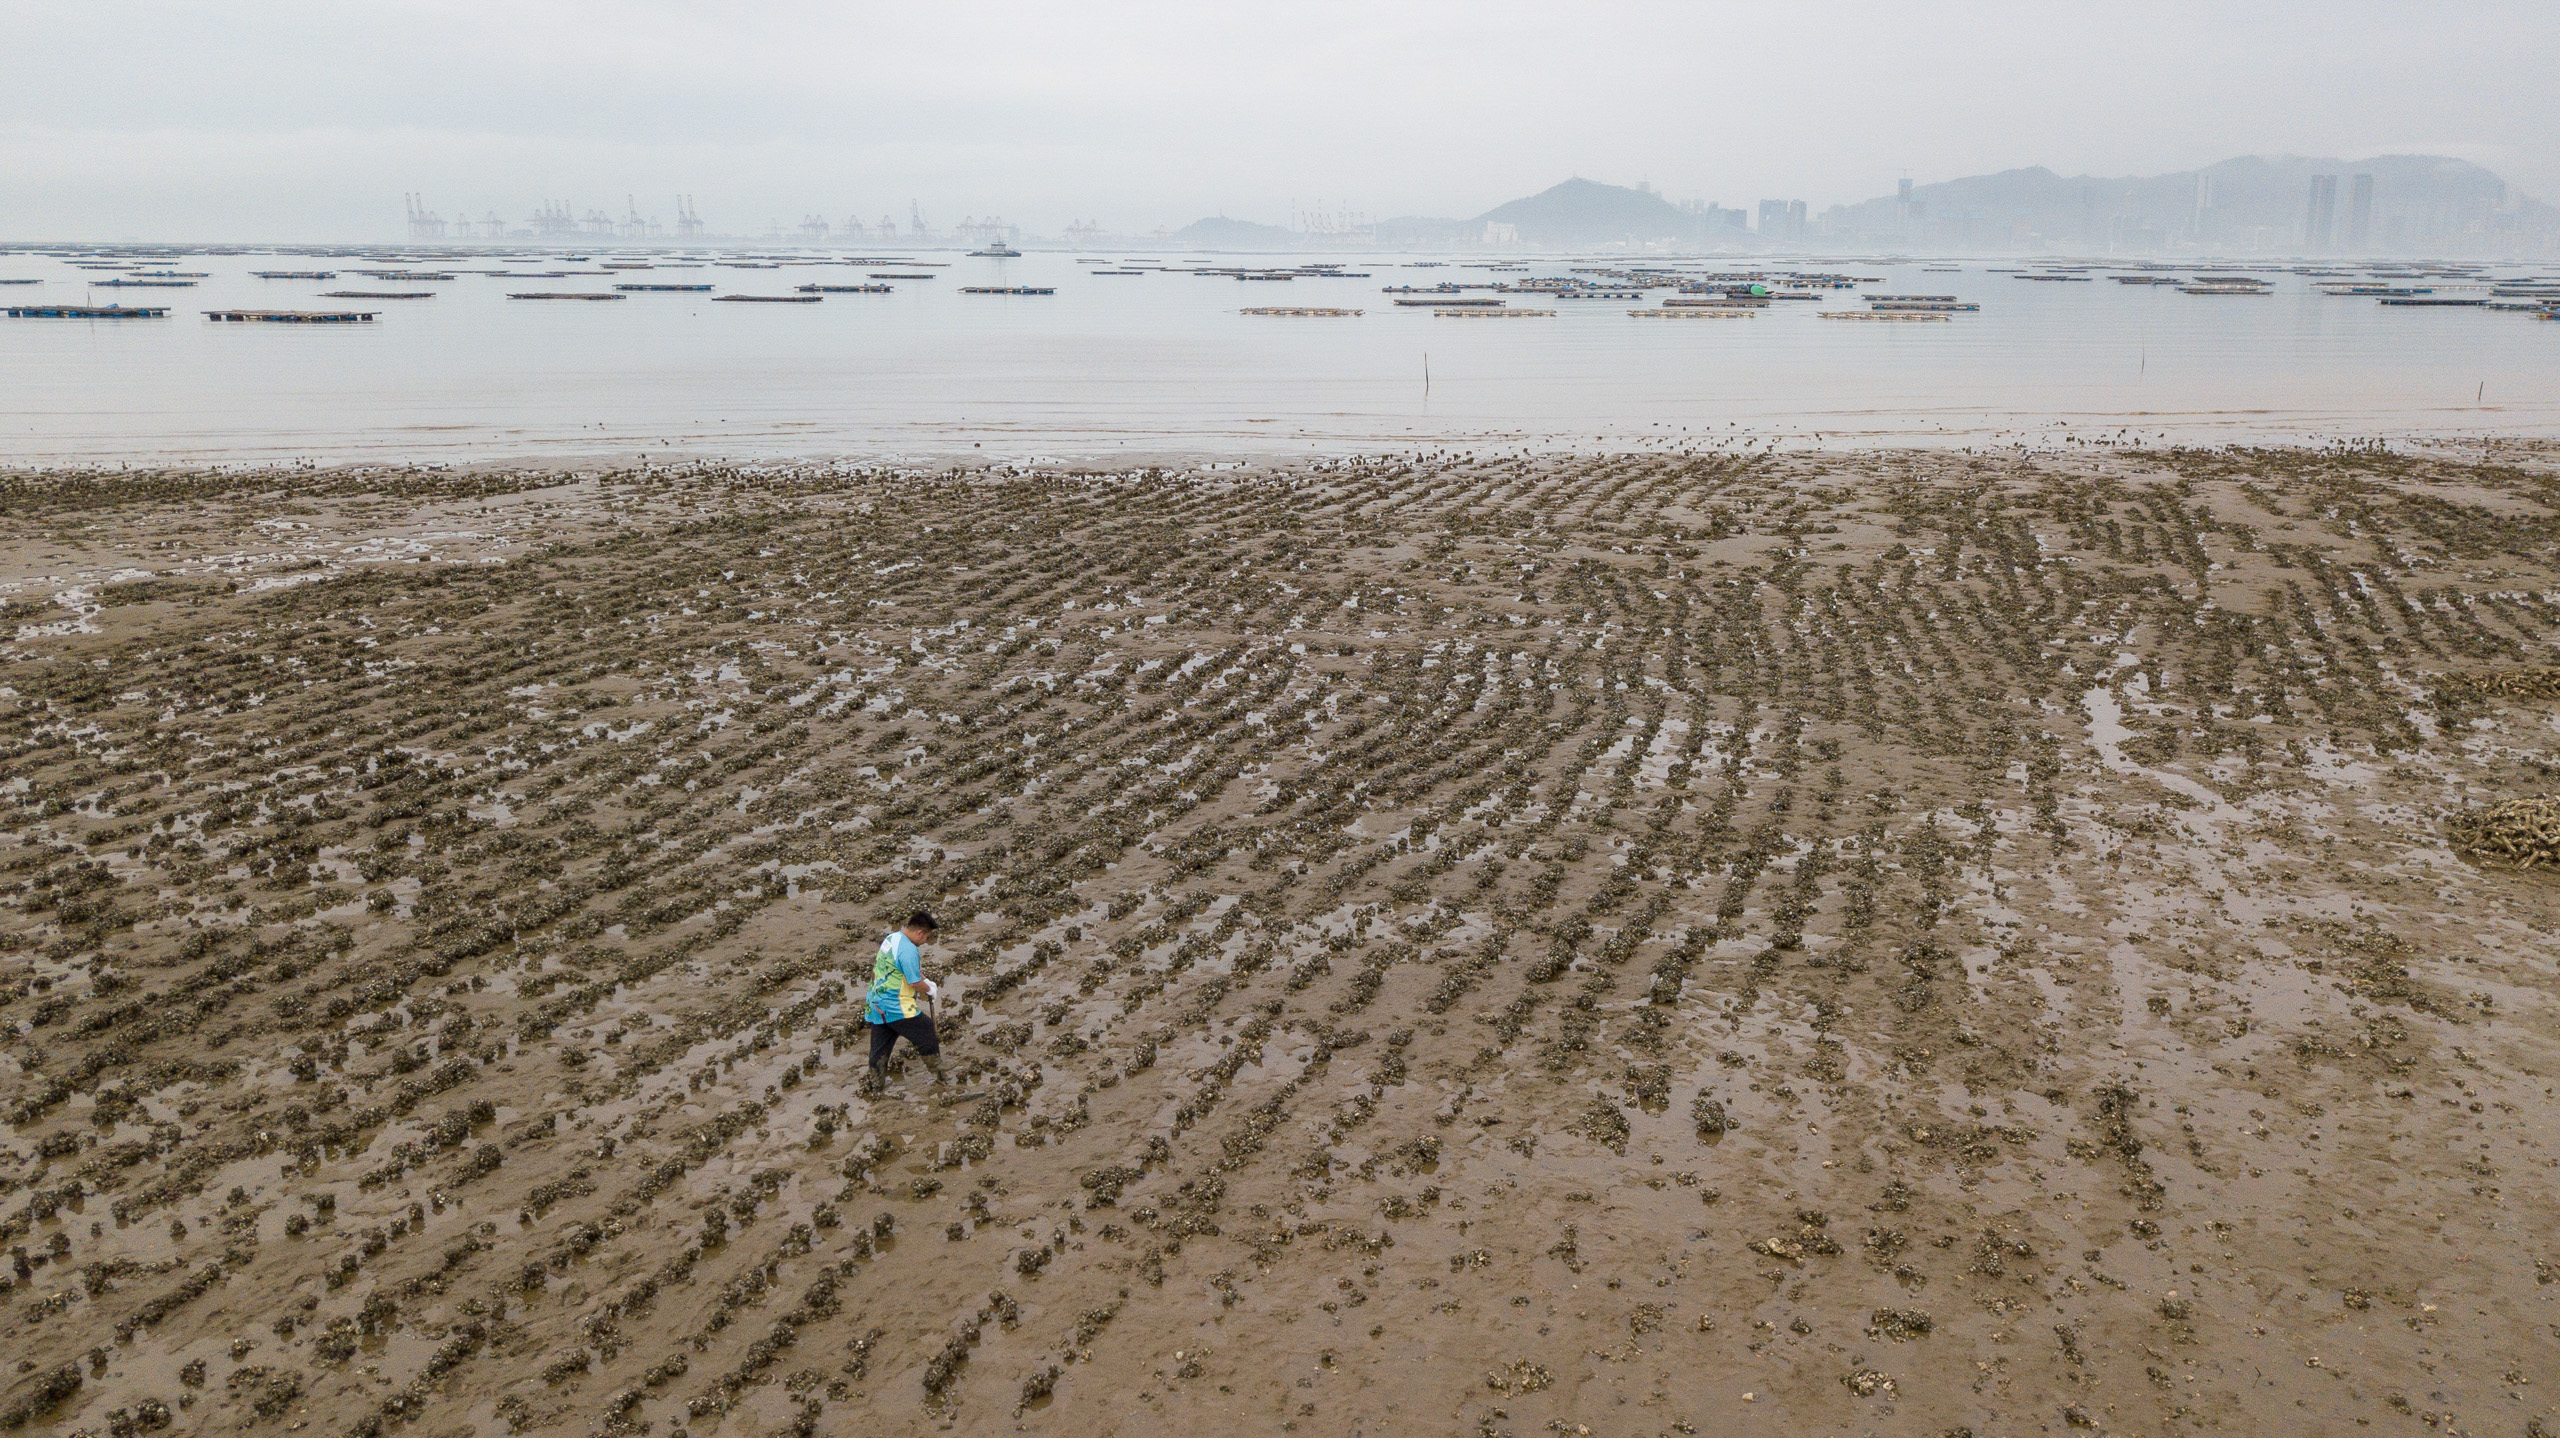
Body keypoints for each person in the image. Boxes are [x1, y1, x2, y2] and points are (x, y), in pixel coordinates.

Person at [866, 910, 945, 1082]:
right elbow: (915, 982)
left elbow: (898, 968)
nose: (925, 941)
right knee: (926, 1031)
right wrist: (929, 989)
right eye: (927, 937)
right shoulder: (909, 950)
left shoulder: (892, 939)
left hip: (876, 1004)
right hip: (896, 1005)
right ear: (920, 932)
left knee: (880, 1048)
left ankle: (875, 1085)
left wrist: (927, 980)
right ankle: (940, 1074)